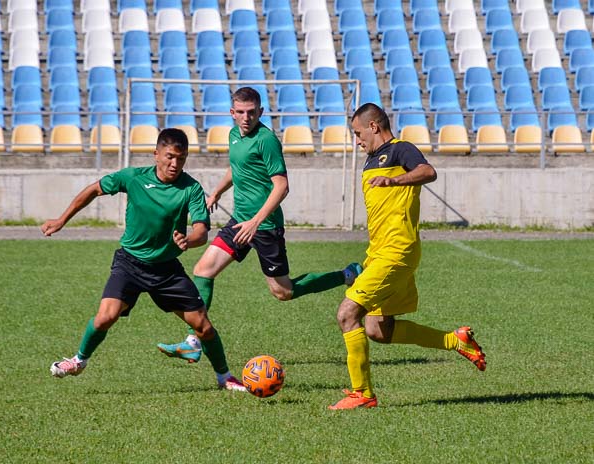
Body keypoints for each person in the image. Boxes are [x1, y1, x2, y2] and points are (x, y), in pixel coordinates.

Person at [157, 87, 361, 363]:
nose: (245, 117)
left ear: (260, 112)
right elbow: (237, 167)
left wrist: (256, 221)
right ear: (232, 113)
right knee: (203, 271)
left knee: (283, 292)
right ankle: (193, 341)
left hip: (264, 227)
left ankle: (347, 275)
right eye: (240, 112)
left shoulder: (267, 140)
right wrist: (216, 192)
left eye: (251, 112)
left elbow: (282, 186)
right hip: (239, 222)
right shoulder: (233, 135)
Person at [43, 128, 246, 391]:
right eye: (170, 157)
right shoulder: (133, 177)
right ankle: (79, 361)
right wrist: (61, 220)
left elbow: (201, 231)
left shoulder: (191, 189)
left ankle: (224, 378)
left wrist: (189, 241)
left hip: (166, 270)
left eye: (181, 159)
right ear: (156, 154)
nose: (175, 164)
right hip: (130, 264)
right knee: (106, 317)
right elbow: (94, 190)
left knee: (203, 327)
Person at [328, 103, 487, 410]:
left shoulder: (401, 150)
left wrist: (395, 180)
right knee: (378, 330)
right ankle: (457, 341)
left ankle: (362, 394)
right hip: (379, 254)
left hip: (397, 252)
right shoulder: (370, 161)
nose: (356, 140)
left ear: (374, 126)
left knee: (347, 314)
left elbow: (428, 171)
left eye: (358, 133)